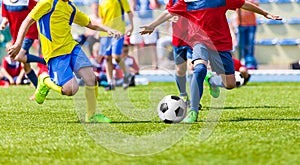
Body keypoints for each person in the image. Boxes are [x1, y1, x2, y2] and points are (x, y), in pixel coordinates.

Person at [140, 0, 281, 123]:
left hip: (221, 44)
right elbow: (169, 12)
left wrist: (265, 14)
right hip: (199, 42)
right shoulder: (187, 1)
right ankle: (193, 111)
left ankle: (212, 81)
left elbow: (243, 4)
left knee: (230, 84)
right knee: (199, 69)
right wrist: (152, 25)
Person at [8, 0, 122, 123]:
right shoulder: (47, 3)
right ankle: (45, 80)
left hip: (72, 48)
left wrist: (107, 29)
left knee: (91, 79)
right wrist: (18, 43)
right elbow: (28, 20)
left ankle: (91, 115)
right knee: (70, 89)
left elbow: (89, 23)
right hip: (55, 53)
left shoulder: (70, 6)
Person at [1, 0, 46, 99]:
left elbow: (40, 11)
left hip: (29, 33)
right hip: (16, 37)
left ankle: (44, 61)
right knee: (26, 68)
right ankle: (39, 91)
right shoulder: (5, 1)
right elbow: (5, 16)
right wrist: (4, 23)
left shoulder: (27, 1)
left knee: (18, 56)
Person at [98, 0, 134, 90]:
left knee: (116, 56)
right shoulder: (101, 2)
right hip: (105, 33)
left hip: (118, 32)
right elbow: (102, 18)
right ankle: (110, 82)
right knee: (107, 58)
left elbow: (129, 11)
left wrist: (131, 26)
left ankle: (127, 74)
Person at [130, 0, 160, 69]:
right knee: (136, 42)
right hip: (138, 18)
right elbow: (132, 6)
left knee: (152, 42)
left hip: (149, 18)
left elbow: (156, 6)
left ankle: (155, 64)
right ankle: (137, 65)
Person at [236, 0, 259, 69]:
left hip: (251, 24)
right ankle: (242, 62)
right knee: (241, 45)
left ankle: (250, 63)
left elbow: (256, 5)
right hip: (241, 24)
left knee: (250, 45)